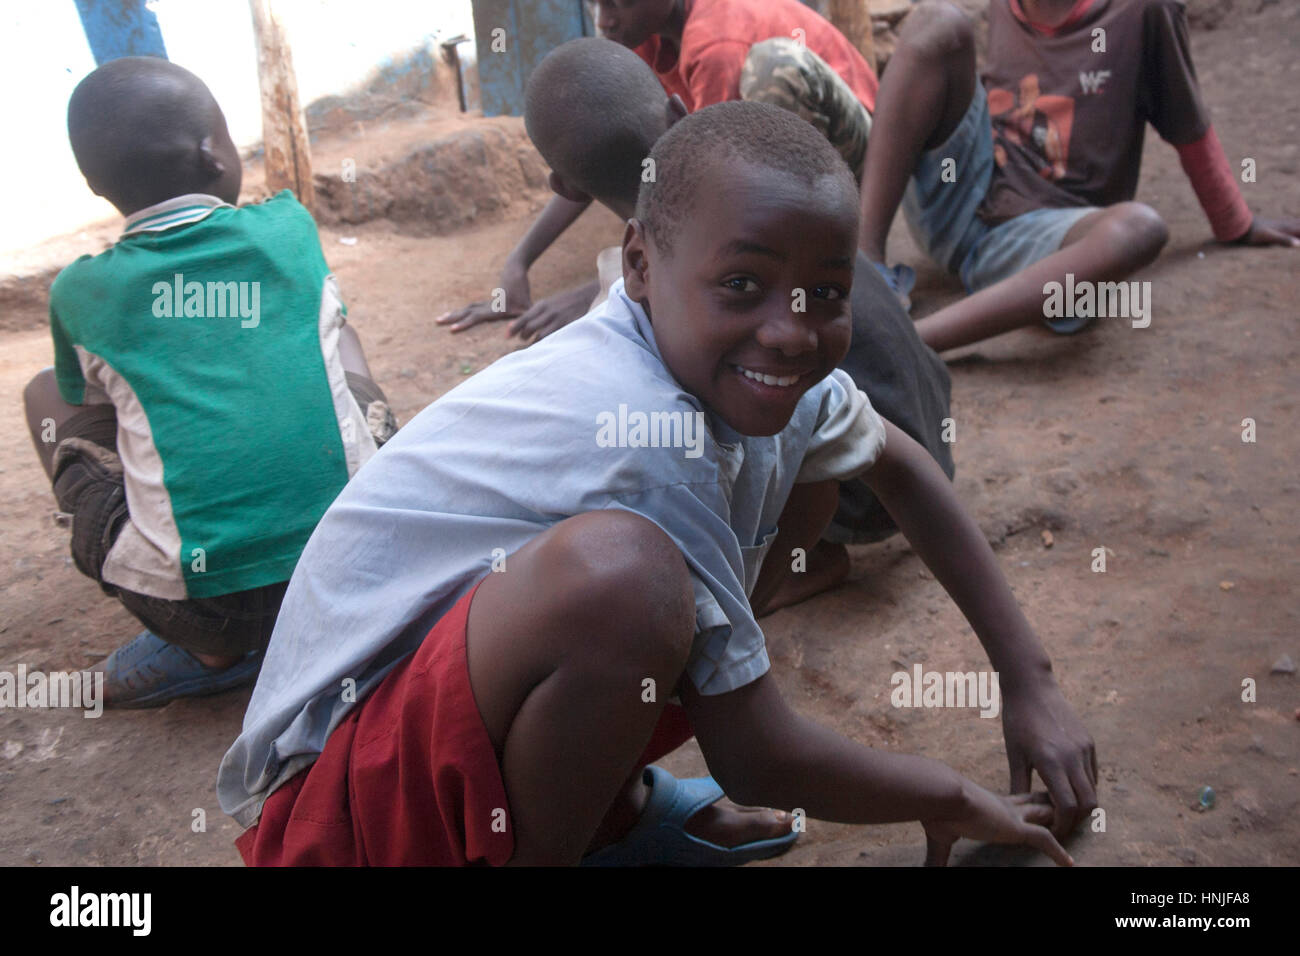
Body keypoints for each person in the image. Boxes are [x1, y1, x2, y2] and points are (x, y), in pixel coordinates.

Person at [220, 101, 1094, 867]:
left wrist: (1031, 679)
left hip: (438, 718)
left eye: (826, 292)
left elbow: (898, 464)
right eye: (742, 285)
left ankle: (608, 811)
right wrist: (946, 796)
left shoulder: (750, 370)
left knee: (803, 468)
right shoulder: (642, 434)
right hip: (336, 808)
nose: (791, 333)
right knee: (627, 580)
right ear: (638, 265)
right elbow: (756, 755)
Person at [520, 37, 954, 605]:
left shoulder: (666, 286)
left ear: (566, 188)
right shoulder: (764, 196)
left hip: (866, 490)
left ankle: (799, 559)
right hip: (926, 425)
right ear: (677, 109)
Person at [23, 57, 394, 708]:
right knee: (338, 343)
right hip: (352, 565)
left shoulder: (80, 290)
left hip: (208, 607)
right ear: (214, 155)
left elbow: (90, 404)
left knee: (47, 396)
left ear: (92, 182)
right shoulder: (289, 228)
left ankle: (211, 650)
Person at [857, 0, 1300, 353]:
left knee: (1138, 228)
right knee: (938, 21)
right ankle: (866, 268)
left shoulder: (1144, 12)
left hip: (1043, 240)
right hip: (962, 195)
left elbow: (1189, 126)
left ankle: (913, 345)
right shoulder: (1004, 8)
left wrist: (1234, 223)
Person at [437, 0, 880, 341]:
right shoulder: (647, 35)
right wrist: (520, 262)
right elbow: (598, 148)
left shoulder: (716, 44)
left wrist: (613, 285)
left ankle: (841, 253)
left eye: (619, 3)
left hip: (854, 161)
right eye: (597, 4)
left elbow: (714, 184)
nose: (605, 19)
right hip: (758, 150)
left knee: (768, 78)